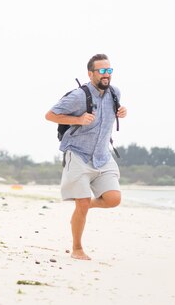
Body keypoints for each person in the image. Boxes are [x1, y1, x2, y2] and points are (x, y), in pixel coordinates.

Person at [45, 53, 127, 260]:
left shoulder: (114, 93)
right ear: (91, 74)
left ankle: (85, 205)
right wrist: (79, 119)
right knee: (81, 204)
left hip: (102, 155)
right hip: (78, 154)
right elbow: (50, 115)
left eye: (109, 70)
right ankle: (77, 249)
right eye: (102, 70)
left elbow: (111, 113)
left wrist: (122, 111)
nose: (106, 74)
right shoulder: (79, 96)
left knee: (113, 199)